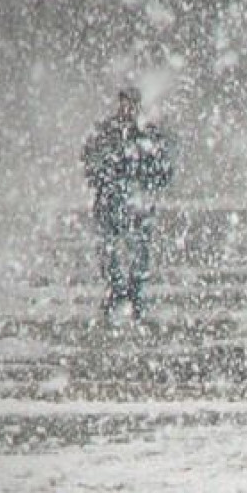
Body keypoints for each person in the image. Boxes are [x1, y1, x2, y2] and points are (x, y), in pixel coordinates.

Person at [81, 86, 173, 322]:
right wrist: (107, 177)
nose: (127, 108)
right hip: (110, 202)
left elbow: (163, 171)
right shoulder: (106, 132)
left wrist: (144, 178)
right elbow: (89, 163)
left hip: (137, 204)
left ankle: (135, 295)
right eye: (124, 103)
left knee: (139, 252)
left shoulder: (148, 135)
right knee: (109, 251)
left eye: (131, 104)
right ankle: (117, 291)